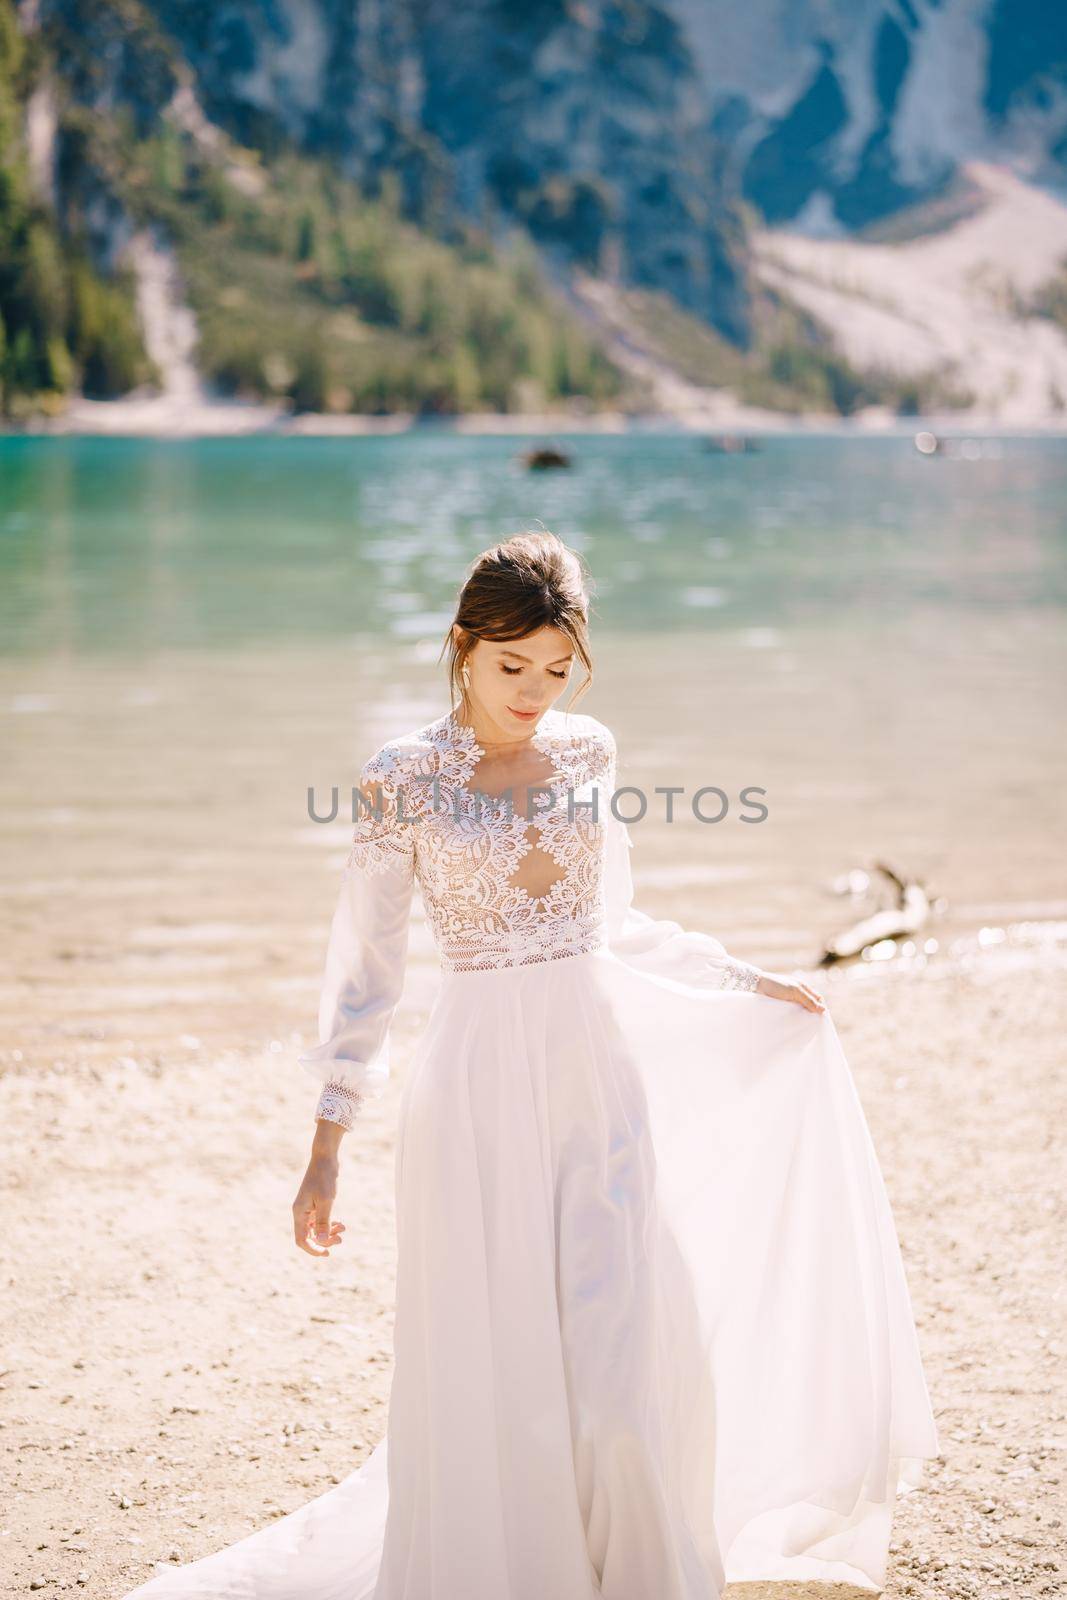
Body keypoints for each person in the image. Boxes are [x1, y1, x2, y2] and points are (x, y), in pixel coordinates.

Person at [124, 530, 939, 1600]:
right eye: (513, 667)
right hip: (473, 1100)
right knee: (499, 1374)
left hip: (596, 1084)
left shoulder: (589, 753)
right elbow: (364, 975)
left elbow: (611, 922)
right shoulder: (400, 780)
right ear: (462, 647)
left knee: (630, 1362)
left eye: (556, 671)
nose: (535, 693)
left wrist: (745, 980)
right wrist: (326, 1143)